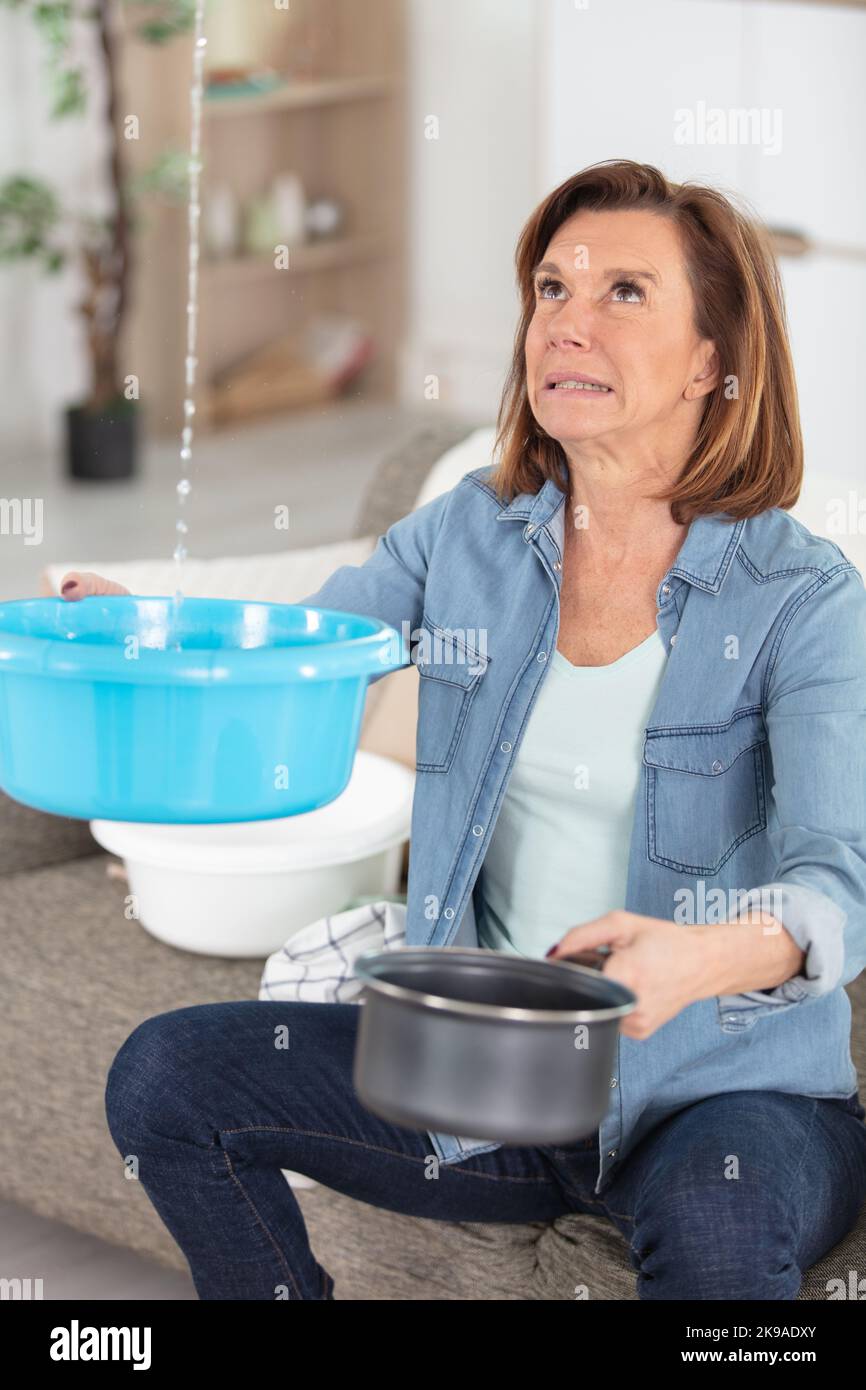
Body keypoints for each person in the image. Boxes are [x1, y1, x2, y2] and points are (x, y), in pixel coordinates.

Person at [68, 160, 866, 1300]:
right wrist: (146, 630)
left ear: (710, 359)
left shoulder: (803, 597)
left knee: (717, 1223)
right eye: (551, 290)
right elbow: (305, 650)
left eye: (623, 292)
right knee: (167, 1077)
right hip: (493, 1073)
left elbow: (843, 876)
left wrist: (701, 954)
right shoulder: (467, 534)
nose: (567, 324)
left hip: (723, 1092)